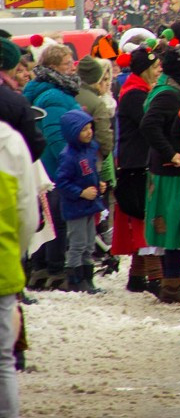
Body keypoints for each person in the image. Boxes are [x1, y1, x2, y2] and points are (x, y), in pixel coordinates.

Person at [140, 47, 180, 305]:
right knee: (174, 227)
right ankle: (172, 283)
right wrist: (171, 152)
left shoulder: (168, 90)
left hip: (166, 168)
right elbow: (149, 125)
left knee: (170, 227)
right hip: (170, 170)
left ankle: (171, 280)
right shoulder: (169, 95)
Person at [24, 43, 81, 289]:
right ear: (54, 67)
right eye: (68, 64)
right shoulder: (55, 95)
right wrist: (73, 165)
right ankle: (55, 270)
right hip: (55, 167)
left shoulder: (43, 90)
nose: (72, 68)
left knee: (44, 218)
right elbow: (56, 135)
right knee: (55, 219)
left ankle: (40, 267)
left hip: (43, 164)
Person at [112, 46, 164, 294]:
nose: (158, 71)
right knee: (145, 218)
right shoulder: (135, 95)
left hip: (136, 161)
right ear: (144, 71)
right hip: (137, 162)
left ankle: (137, 275)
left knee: (140, 218)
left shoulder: (139, 91)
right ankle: (155, 274)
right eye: (154, 68)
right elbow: (150, 125)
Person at [0, 119, 39, 418]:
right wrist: (15, 253)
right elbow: (27, 216)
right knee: (2, 363)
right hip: (2, 266)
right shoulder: (10, 142)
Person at [53, 109, 107, 293]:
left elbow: (90, 173)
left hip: (90, 205)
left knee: (89, 242)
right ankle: (75, 279)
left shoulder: (90, 149)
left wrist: (98, 184)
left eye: (90, 127)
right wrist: (81, 192)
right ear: (73, 132)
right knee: (77, 243)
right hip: (75, 206)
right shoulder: (68, 156)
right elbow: (61, 182)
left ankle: (87, 278)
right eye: (84, 129)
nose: (89, 132)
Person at [0, 36, 45, 161]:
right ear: (12, 67)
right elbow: (34, 146)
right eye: (18, 69)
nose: (26, 74)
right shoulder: (15, 102)